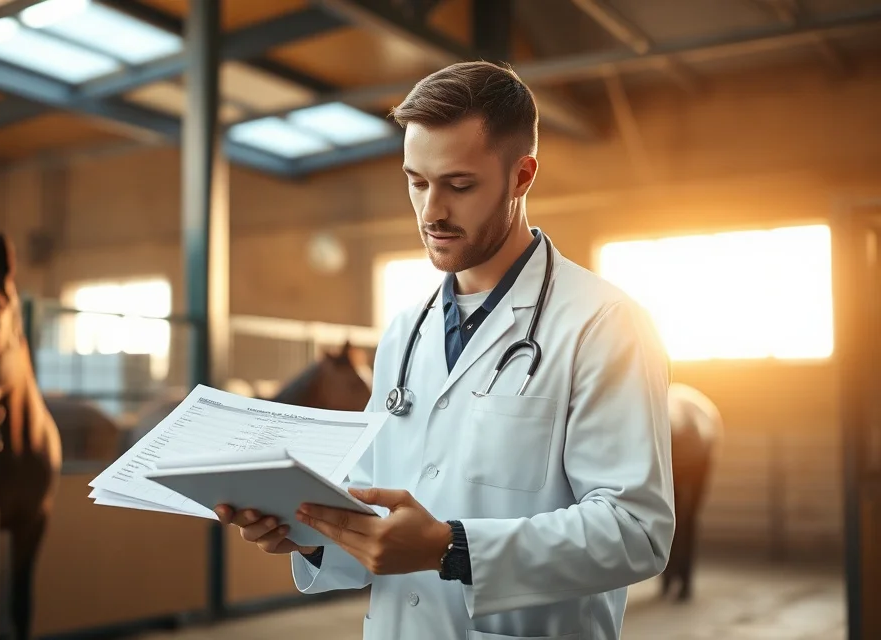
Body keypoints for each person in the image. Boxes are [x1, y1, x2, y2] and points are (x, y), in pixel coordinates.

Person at [215, 60, 675, 640]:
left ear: (521, 176)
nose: (431, 211)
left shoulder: (603, 324)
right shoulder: (404, 332)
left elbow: (636, 532)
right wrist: (305, 532)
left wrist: (452, 548)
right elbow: (372, 506)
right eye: (416, 182)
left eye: (459, 186)